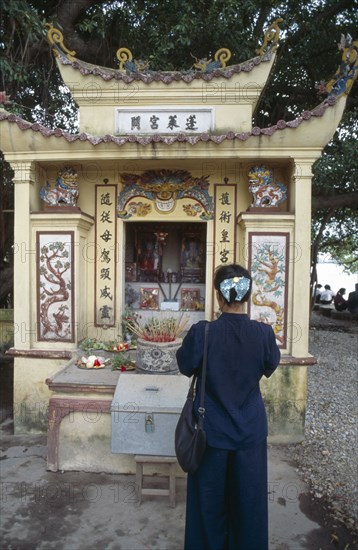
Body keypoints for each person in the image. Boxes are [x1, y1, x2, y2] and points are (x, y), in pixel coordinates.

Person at [176, 264, 281, 550]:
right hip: (249, 432)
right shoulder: (264, 334)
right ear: (247, 296)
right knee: (249, 504)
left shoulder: (202, 333)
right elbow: (270, 365)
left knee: (208, 504)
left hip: (210, 433)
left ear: (219, 297)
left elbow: (185, 365)